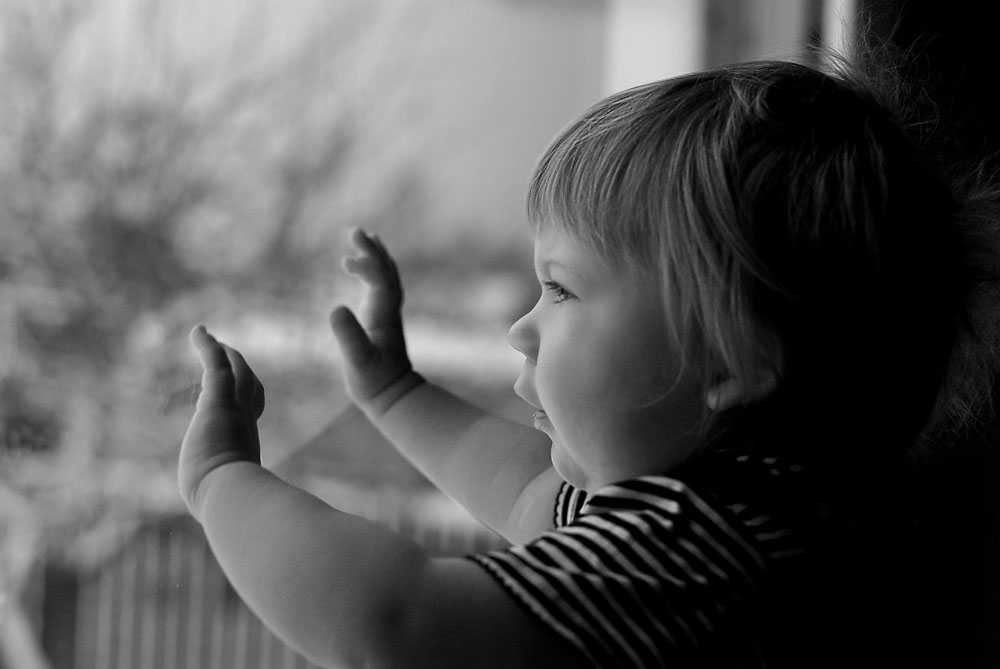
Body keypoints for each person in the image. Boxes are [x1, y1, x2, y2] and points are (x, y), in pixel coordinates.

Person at [178, 56, 1000, 668]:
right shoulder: (774, 510)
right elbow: (530, 490)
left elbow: (393, 622)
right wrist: (395, 393)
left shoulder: (706, 548)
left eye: (561, 289)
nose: (522, 328)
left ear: (729, 358)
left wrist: (218, 480)